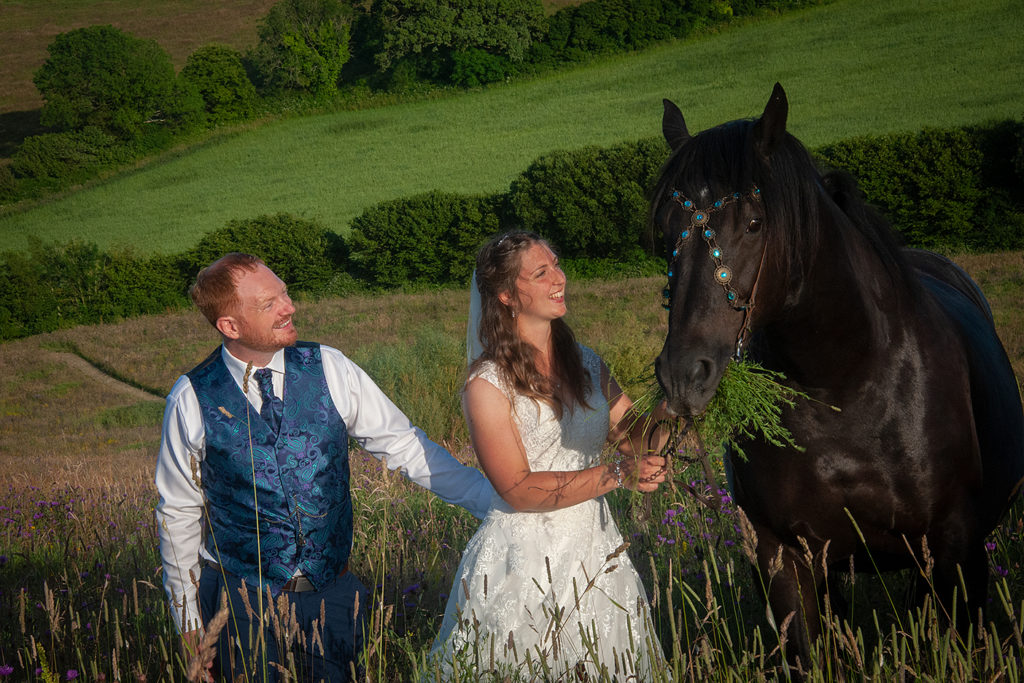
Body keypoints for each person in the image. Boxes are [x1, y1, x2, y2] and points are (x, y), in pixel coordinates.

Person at [155, 253, 495, 682]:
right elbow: (177, 516)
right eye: (269, 303)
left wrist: (496, 502)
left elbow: (407, 448)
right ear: (230, 326)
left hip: (334, 599)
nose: (289, 307)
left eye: (286, 294)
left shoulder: (330, 366)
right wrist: (189, 627)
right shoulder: (190, 398)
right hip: (239, 606)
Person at [427, 231, 671, 680]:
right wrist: (619, 473)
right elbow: (517, 489)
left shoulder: (588, 363)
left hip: (598, 551)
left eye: (557, 265)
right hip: (523, 560)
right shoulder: (487, 384)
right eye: (541, 273)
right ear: (506, 295)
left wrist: (674, 400)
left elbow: (636, 440)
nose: (560, 278)